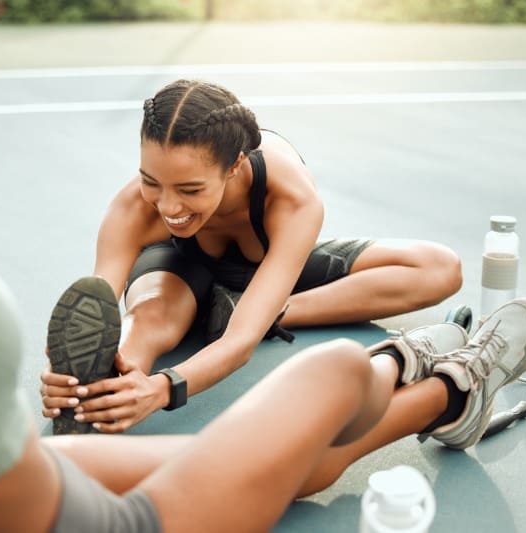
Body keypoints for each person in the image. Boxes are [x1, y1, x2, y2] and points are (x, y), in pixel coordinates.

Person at [0, 1, 526, 531]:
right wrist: (150, 373)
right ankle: (448, 383)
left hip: (18, 472)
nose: (168, 201)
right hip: (91, 516)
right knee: (337, 377)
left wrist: (83, 375)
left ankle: (442, 390)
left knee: (274, 452)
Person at [40, 78, 463, 434]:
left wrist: (166, 388)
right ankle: (102, 392)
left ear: (235, 165)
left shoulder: (292, 199)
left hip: (266, 274)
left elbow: (240, 342)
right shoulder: (134, 207)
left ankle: (259, 309)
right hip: (176, 269)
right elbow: (98, 308)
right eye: (151, 181)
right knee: (148, 317)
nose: (167, 207)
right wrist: (84, 375)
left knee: (440, 268)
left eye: (190, 189)